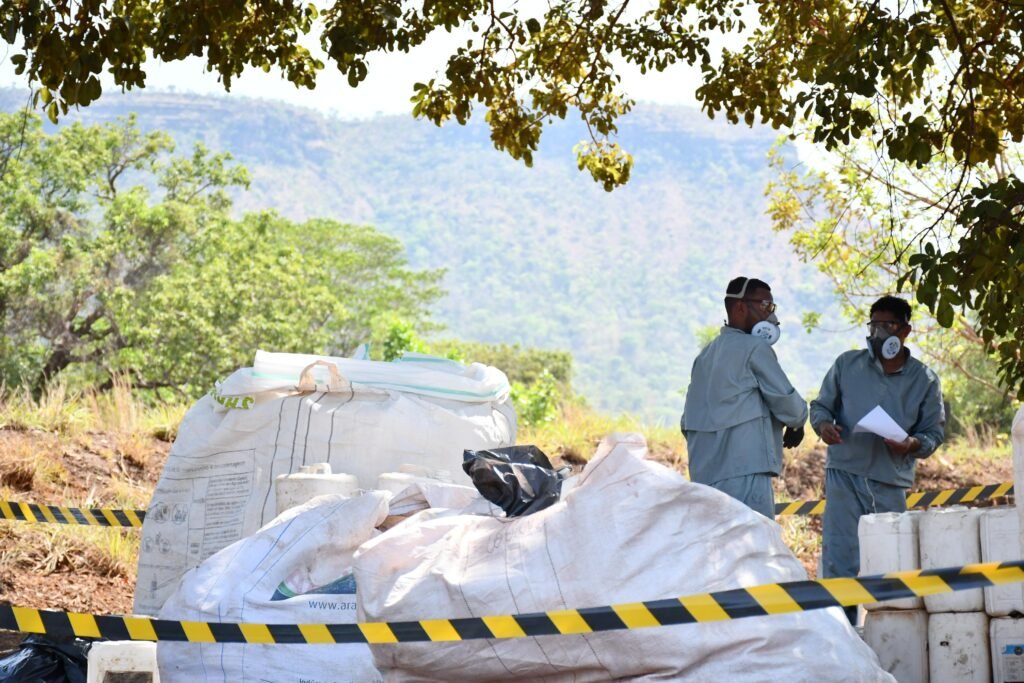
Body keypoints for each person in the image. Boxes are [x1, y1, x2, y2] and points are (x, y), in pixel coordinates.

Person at [810, 295, 945, 623]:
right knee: (839, 560)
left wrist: (911, 444)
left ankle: (891, 632)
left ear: (905, 331)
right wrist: (824, 426)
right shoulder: (847, 365)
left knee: (889, 560)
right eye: (874, 326)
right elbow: (821, 407)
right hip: (844, 474)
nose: (879, 333)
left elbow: (933, 433)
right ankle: (841, 631)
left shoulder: (924, 380)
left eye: (888, 325)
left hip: (889, 480)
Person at [681, 276, 808, 518]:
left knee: (717, 541)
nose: (771, 316)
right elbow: (788, 404)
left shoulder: (705, 356)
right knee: (752, 540)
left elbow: (688, 419)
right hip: (745, 472)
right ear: (740, 307)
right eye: (765, 306)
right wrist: (798, 422)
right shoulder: (754, 348)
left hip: (704, 477)